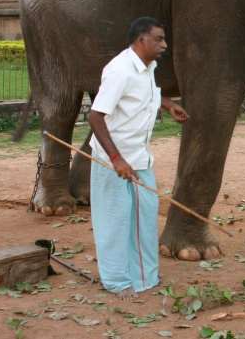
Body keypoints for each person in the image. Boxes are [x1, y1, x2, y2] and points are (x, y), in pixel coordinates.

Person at [88, 17, 190, 300]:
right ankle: (118, 281)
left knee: (144, 215)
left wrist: (168, 105)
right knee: (116, 220)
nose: (164, 45)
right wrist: (116, 158)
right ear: (140, 40)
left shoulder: (147, 67)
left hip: (140, 159)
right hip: (113, 160)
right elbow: (95, 116)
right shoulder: (119, 71)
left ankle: (144, 276)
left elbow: (146, 96)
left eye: (164, 39)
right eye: (159, 39)